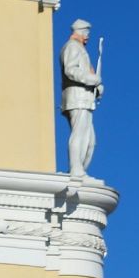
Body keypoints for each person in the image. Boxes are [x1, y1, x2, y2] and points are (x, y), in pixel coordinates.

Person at [60, 18, 102, 178]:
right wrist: (91, 80)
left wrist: (96, 87)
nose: (88, 36)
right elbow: (70, 70)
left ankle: (80, 170)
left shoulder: (79, 48)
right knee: (80, 134)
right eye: (86, 32)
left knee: (90, 141)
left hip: (85, 98)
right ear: (81, 31)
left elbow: (86, 73)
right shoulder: (71, 47)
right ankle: (75, 169)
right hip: (77, 98)